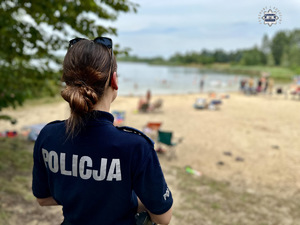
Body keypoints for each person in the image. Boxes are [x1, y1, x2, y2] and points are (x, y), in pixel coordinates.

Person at [32, 37, 173, 225]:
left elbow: (42, 198)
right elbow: (163, 217)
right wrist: (124, 199)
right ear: (114, 80)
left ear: (67, 83)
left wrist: (81, 193)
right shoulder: (135, 146)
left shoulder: (48, 136)